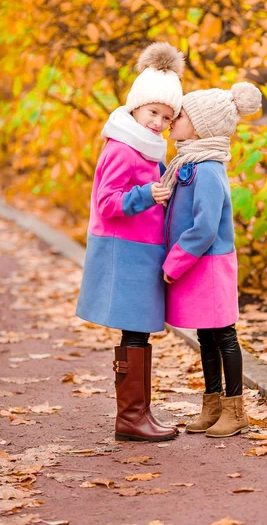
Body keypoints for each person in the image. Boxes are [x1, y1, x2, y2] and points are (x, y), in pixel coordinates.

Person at [76, 42, 185, 442]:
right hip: (125, 252)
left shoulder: (147, 147)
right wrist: (147, 195)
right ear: (136, 107)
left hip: (142, 250)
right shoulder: (124, 148)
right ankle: (131, 418)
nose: (158, 122)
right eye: (153, 112)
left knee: (138, 333)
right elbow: (107, 203)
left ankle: (139, 414)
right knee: (134, 332)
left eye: (166, 116)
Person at [161, 82, 261, 437]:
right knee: (206, 335)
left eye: (182, 115)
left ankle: (236, 410)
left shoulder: (207, 169)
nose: (173, 119)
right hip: (199, 264)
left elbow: (204, 228)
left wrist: (173, 263)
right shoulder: (189, 162)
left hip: (210, 264)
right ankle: (213, 404)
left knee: (224, 335)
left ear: (202, 126)